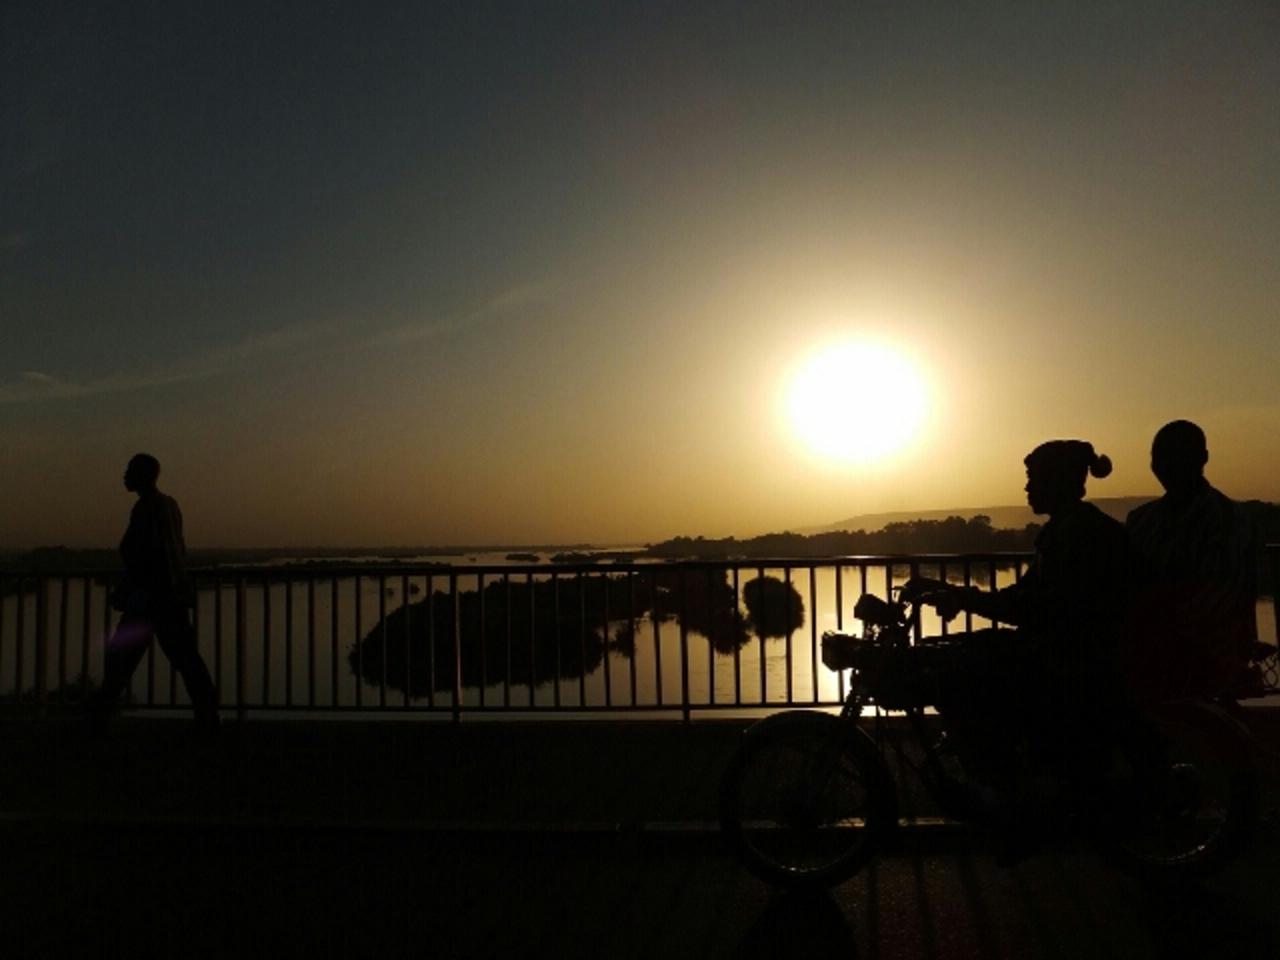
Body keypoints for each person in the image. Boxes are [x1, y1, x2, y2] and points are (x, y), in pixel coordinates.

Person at [900, 440, 1128, 855]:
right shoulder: (1067, 529)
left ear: (1057, 481)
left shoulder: (1077, 535)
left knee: (959, 671)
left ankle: (998, 791)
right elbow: (1023, 599)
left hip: (1070, 656)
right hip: (1063, 646)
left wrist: (961, 597)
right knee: (958, 653)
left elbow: (1032, 608)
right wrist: (956, 594)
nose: (1027, 488)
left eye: (1033, 479)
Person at [1125, 420, 1258, 700]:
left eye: (1177, 455)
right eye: (1160, 457)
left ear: (1203, 458)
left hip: (1205, 654)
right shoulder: (1140, 520)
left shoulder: (1229, 521)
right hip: (1151, 645)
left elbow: (1217, 599)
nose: (1166, 465)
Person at [92, 454, 219, 730]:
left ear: (143, 475)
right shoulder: (169, 505)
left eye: (129, 471)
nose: (124, 476)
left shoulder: (146, 507)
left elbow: (140, 553)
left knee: (120, 658)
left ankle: (98, 719)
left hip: (150, 599)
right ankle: (209, 716)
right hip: (171, 597)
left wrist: (130, 588)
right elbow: (176, 549)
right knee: (187, 660)